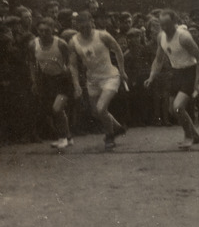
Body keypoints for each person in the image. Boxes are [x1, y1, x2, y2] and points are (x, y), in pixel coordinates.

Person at [69, 11, 129, 151]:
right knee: (96, 112)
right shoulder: (73, 42)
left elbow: (118, 50)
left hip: (110, 76)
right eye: (81, 26)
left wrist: (122, 70)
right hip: (93, 80)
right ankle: (118, 128)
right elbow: (73, 65)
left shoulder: (102, 35)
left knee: (101, 108)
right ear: (77, 25)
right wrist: (76, 84)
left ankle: (109, 136)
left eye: (87, 26)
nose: (84, 29)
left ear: (92, 22)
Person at [145, 9, 199, 149]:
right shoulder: (161, 37)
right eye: (162, 25)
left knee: (178, 107)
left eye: (167, 24)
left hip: (189, 71)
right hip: (176, 72)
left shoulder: (184, 37)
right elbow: (158, 60)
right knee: (173, 110)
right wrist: (151, 76)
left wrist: (197, 82)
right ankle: (195, 135)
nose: (164, 28)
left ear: (175, 22)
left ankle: (188, 136)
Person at [29, 18, 73, 150]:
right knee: (52, 110)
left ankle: (63, 138)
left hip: (63, 79)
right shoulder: (33, 44)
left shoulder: (61, 44)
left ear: (53, 30)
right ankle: (68, 137)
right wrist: (34, 80)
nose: (43, 33)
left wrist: (69, 74)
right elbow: (32, 63)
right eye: (40, 30)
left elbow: (71, 61)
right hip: (46, 80)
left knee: (57, 108)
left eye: (47, 31)